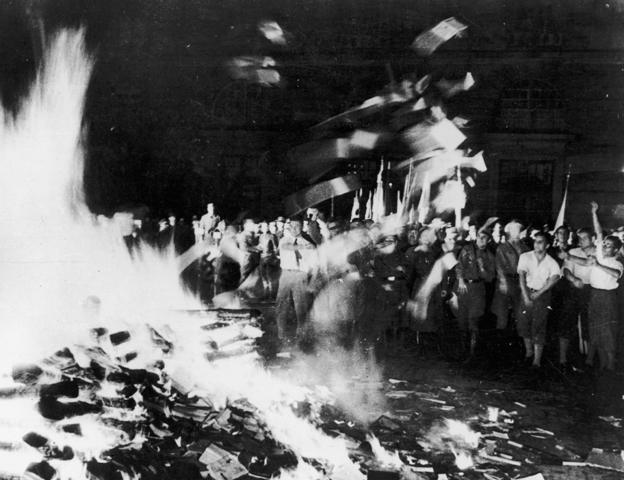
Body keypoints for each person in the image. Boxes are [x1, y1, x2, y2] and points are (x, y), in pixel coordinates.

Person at [585, 202, 623, 370]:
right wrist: (594, 213)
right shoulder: (600, 255)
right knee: (594, 327)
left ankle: (611, 364)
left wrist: (597, 265)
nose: (604, 246)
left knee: (608, 330)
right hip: (595, 295)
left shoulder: (617, 263)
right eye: (605, 244)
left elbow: (615, 275)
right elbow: (599, 233)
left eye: (608, 246)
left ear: (615, 250)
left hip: (608, 298)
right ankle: (595, 361)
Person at [517, 231, 561, 368]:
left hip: (542, 296)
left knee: (539, 326)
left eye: (541, 242)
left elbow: (555, 278)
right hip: (526, 292)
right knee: (524, 324)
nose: (537, 244)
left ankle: (537, 361)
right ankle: (528, 354)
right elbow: (521, 277)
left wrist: (539, 293)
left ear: (547, 245)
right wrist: (526, 296)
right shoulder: (525, 257)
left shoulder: (551, 262)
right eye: (536, 241)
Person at [454, 229, 496, 358]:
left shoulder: (489, 256)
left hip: (478, 289)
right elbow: (459, 266)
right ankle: (462, 350)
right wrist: (460, 281)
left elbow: (490, 277)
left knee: (474, 320)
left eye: (484, 238)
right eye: (479, 237)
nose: (481, 240)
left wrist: (482, 267)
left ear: (489, 240)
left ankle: (472, 354)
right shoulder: (467, 249)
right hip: (464, 287)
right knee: (462, 319)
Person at [275, 218, 317, 346]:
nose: (293, 229)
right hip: (286, 274)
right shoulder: (284, 240)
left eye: (297, 226)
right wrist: (304, 246)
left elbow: (315, 265)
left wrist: (312, 282)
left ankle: (301, 335)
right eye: (291, 226)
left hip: (300, 275)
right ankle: (280, 334)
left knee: (301, 306)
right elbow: (286, 248)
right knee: (281, 304)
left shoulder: (309, 244)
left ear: (302, 228)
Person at [558, 227, 595, 369]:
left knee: (589, 324)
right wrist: (573, 279)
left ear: (592, 239)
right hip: (573, 291)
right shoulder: (573, 251)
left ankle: (589, 360)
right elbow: (566, 270)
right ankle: (562, 360)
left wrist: (567, 256)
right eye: (579, 238)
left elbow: (588, 263)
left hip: (591, 290)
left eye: (584, 238)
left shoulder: (599, 252)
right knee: (566, 323)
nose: (581, 241)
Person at [491, 221, 530, 335]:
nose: (518, 231)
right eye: (515, 229)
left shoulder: (525, 247)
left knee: (520, 313)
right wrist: (503, 283)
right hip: (507, 282)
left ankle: (519, 337)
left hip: (521, 282)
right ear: (509, 231)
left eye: (519, 229)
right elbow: (499, 267)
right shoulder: (502, 248)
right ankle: (501, 338)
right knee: (502, 313)